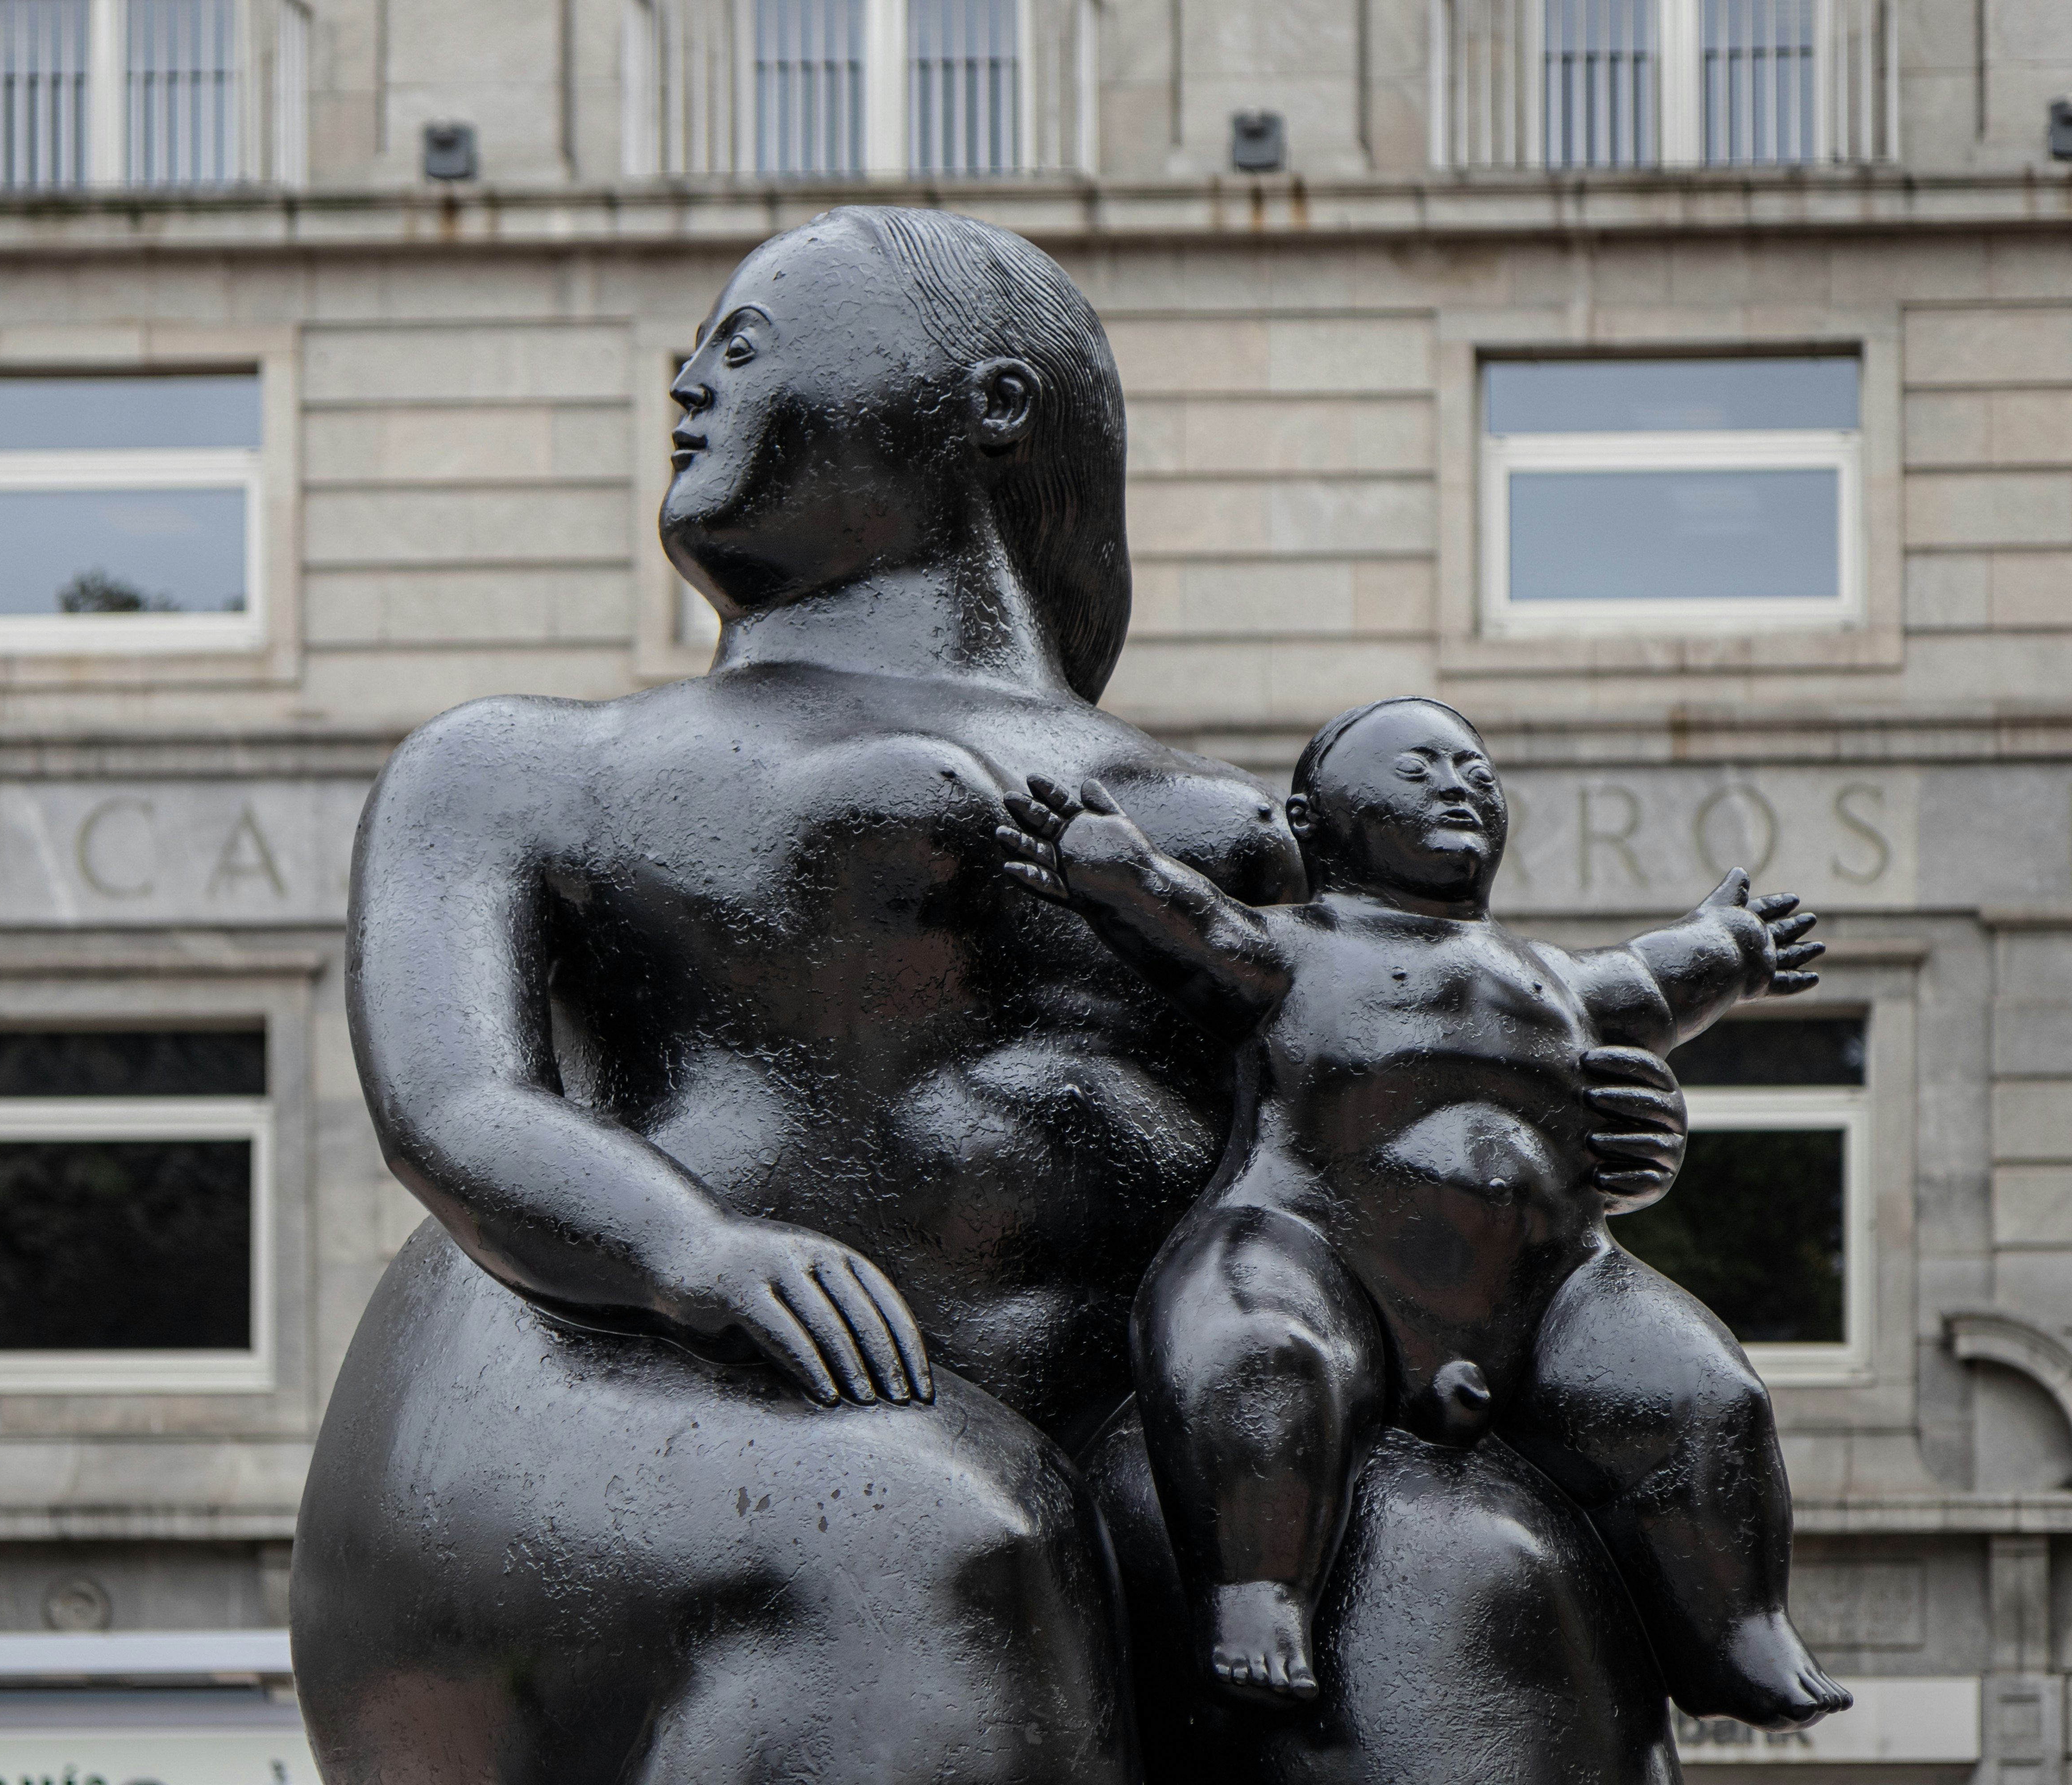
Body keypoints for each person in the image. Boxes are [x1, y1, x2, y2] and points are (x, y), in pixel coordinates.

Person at [289, 208, 1695, 1784]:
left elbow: (1337, 1108)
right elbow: (457, 1099)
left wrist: (1529, 1131)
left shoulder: (1247, 829)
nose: (687, 389)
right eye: (690, 358)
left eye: (741, 348)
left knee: (1465, 1575)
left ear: (991, 401)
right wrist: (692, 1251)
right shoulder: (519, 763)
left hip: (1111, 1417)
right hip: (614, 1384)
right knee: (929, 1547)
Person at [994, 697, 1853, 1731]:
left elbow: (1655, 975)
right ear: (1313, 824)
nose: (1459, 785)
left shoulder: (1555, 979)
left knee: (1703, 1389)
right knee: (1254, 1350)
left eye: (1476, 772)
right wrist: (1111, 865)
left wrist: (1734, 945)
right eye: (1419, 771)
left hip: (1552, 1287)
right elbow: (1196, 926)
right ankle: (1259, 1591)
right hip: (1319, 1250)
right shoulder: (1295, 950)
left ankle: (1738, 1626)